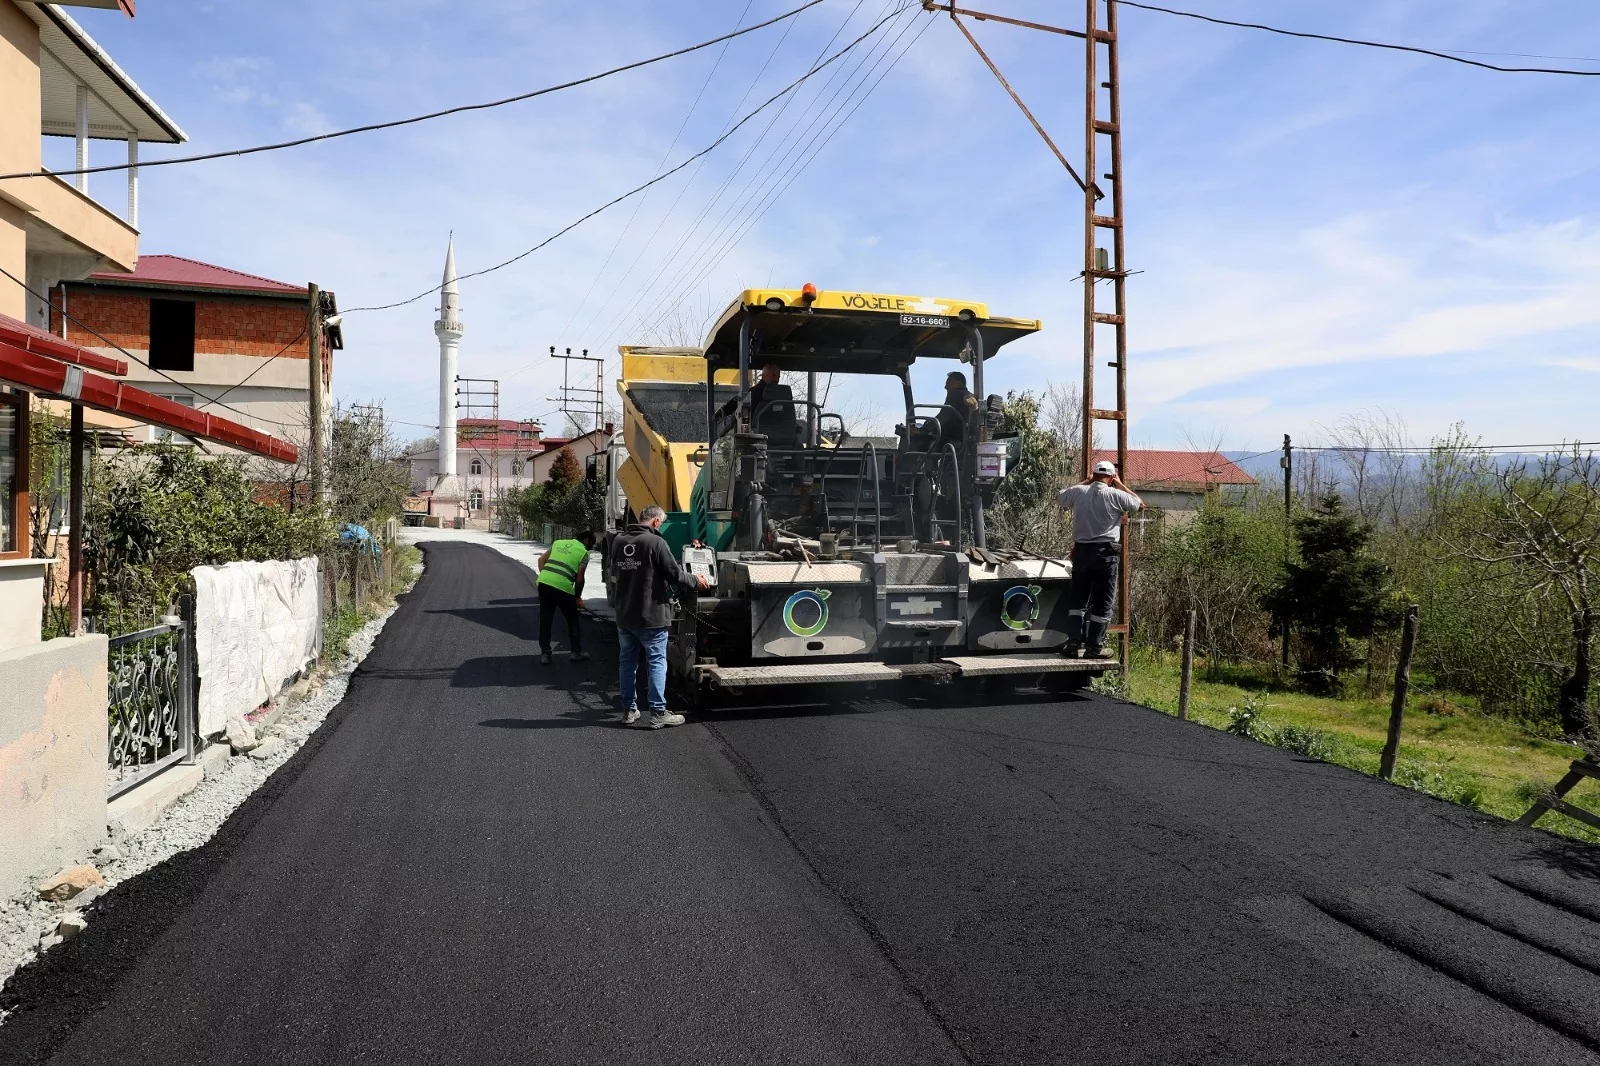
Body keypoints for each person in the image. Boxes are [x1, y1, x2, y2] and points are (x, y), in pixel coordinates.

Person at [610, 504, 710, 728]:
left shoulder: (618, 541)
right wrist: (696, 580)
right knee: (656, 662)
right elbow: (674, 574)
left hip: (625, 614)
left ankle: (629, 710)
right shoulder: (656, 542)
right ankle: (657, 712)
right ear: (655, 522)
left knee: (627, 663)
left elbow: (615, 571)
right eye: (661, 524)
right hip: (651, 616)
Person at [1057, 460, 1144, 658]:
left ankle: (1072, 644)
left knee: (1078, 599)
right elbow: (1140, 505)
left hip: (1081, 553)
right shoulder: (1115, 494)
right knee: (1103, 601)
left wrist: (1085, 482)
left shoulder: (1079, 492)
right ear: (1112, 477)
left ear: (1093, 475)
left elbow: (1061, 497)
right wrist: (1120, 484)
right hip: (1105, 554)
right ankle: (1094, 647)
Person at [535, 530, 595, 665]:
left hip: (544, 584)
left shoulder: (558, 543)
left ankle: (545, 654)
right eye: (591, 543)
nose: (591, 547)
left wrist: (548, 578)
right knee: (572, 619)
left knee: (545, 620)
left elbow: (541, 560)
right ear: (586, 540)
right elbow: (580, 579)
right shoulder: (584, 553)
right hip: (563, 588)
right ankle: (575, 652)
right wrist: (577, 597)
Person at [935, 370, 979, 445]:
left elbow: (942, 418)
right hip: (963, 434)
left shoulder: (955, 395)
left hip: (953, 435)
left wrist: (922, 430)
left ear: (959, 382)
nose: (945, 386)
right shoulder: (970, 396)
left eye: (949, 382)